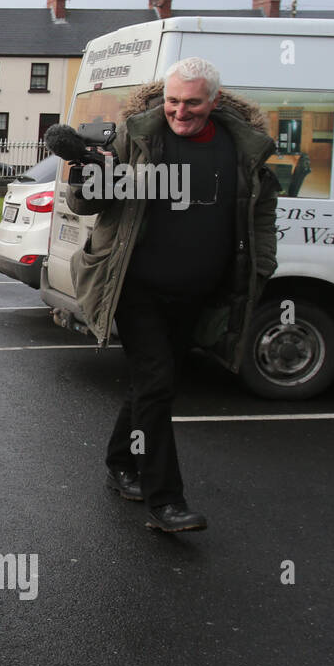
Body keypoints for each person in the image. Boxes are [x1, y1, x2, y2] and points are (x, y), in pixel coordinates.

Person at [64, 57, 278, 533]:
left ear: (214, 102)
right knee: (159, 383)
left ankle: (121, 460)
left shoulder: (239, 149)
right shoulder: (138, 137)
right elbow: (86, 203)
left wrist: (262, 266)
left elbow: (260, 212)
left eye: (192, 103)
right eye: (173, 101)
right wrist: (89, 172)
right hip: (136, 288)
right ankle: (166, 500)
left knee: (151, 385)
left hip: (198, 292)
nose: (180, 112)